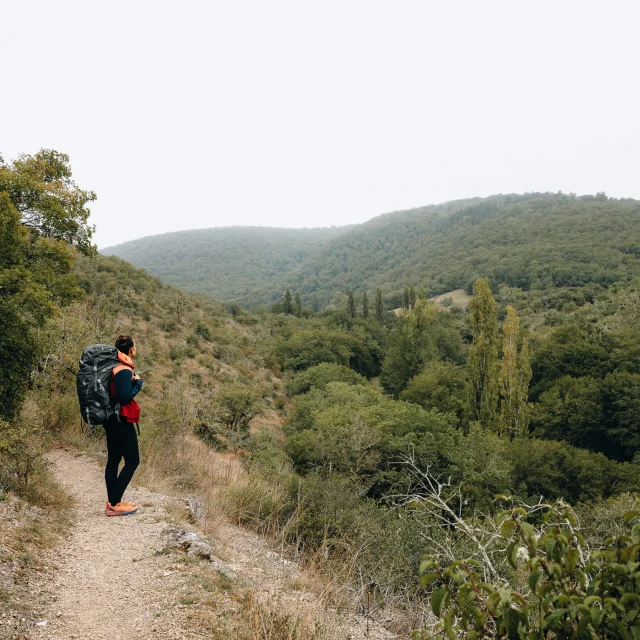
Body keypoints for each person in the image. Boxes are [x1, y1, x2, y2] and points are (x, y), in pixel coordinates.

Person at [104, 334, 143, 516]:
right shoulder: (124, 369)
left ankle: (114, 501)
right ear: (131, 349)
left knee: (113, 461)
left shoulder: (111, 366)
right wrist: (138, 385)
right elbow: (124, 397)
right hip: (121, 420)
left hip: (110, 418)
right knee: (133, 461)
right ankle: (114, 503)